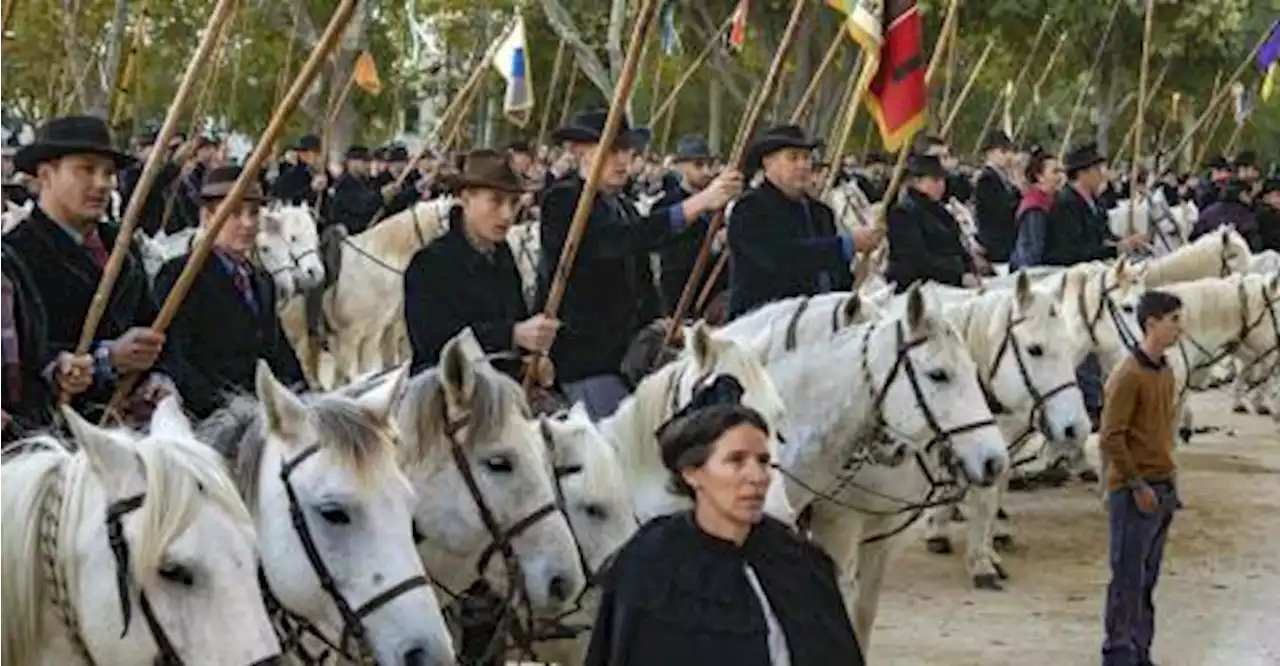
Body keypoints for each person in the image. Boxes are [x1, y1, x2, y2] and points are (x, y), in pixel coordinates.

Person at [585, 374, 864, 666]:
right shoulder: (650, 567)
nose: (756, 476)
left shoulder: (800, 563)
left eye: (763, 461)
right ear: (692, 472)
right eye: (736, 460)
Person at [537, 109, 739, 419]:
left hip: (632, 355)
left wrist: (660, 322)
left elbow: (643, 273)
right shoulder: (562, 201)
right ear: (578, 152)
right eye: (612, 150)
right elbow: (617, 242)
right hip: (586, 359)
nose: (623, 160)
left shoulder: (624, 207)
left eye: (627, 151)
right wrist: (697, 203)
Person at [5, 115, 177, 423]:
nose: (102, 183)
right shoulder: (14, 256)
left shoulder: (124, 249)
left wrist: (157, 376)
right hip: (53, 441)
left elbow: (153, 327)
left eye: (108, 172)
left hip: (128, 435)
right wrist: (102, 360)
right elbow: (23, 361)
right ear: (46, 175)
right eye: (85, 169)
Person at [154, 165, 304, 419]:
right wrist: (222, 407)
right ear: (207, 217)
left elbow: (277, 351)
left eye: (254, 213)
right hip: (207, 419)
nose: (247, 224)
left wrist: (303, 395)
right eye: (234, 213)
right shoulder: (181, 275)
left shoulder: (262, 280)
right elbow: (174, 356)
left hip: (261, 414)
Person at [404, 149, 553, 379]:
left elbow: (515, 319)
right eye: (495, 201)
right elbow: (435, 343)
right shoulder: (430, 263)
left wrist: (529, 360)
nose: (507, 215)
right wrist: (511, 335)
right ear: (465, 199)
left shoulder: (503, 256)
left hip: (500, 390)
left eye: (514, 203)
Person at [1099, 290, 1182, 666]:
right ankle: (1119, 654)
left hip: (1161, 487)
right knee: (1127, 579)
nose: (1179, 328)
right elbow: (1111, 436)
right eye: (1173, 320)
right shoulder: (1128, 374)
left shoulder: (1166, 371)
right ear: (1152, 324)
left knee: (1146, 580)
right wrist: (1135, 484)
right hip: (1136, 493)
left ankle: (1140, 651)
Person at [727, 124, 875, 318]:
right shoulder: (750, 208)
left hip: (818, 322)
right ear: (768, 163)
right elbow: (779, 258)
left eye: (806, 158)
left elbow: (835, 275)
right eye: (793, 158)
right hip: (763, 324)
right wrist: (846, 245)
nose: (803, 165)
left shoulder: (821, 212)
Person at [885, 153, 978, 291]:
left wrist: (970, 267)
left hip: (951, 282)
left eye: (943, 180)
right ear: (917, 181)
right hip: (919, 287)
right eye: (934, 180)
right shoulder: (903, 213)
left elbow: (957, 244)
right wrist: (957, 275)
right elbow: (917, 258)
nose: (941, 185)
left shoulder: (940, 210)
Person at [653, 135, 722, 314]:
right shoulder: (666, 205)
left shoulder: (718, 205)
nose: (706, 171)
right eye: (698, 165)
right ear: (681, 167)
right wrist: (715, 242)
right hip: (680, 295)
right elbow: (674, 254)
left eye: (709, 165)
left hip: (713, 296)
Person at [1009, 149, 1064, 271]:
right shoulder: (1035, 208)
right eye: (1055, 172)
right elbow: (1033, 252)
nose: (1060, 176)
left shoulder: (1053, 200)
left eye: (1060, 171)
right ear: (1039, 177)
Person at [974, 130, 1020, 264]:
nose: (1009, 156)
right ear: (990, 153)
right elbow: (999, 211)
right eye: (1003, 151)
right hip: (996, 244)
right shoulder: (986, 179)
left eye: (1010, 151)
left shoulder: (1003, 177)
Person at [1189, 178, 1261, 250]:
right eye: (1248, 193)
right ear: (1242, 194)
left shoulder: (1208, 210)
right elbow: (1254, 244)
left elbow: (1194, 238)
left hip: (1206, 253)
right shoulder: (1246, 216)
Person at [271, 133, 328, 208]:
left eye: (312, 152)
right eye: (303, 152)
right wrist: (311, 188)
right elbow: (289, 199)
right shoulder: (291, 176)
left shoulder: (326, 175)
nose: (305, 155)